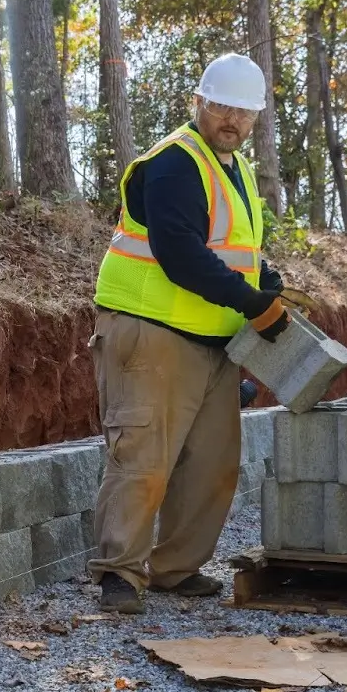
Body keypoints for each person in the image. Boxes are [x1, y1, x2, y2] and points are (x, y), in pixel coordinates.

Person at [88, 52, 289, 614]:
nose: (234, 121)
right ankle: (119, 574)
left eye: (246, 113)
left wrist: (266, 286)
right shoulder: (175, 163)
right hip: (151, 330)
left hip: (212, 340)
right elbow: (179, 254)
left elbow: (238, 253)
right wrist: (253, 305)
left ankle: (175, 570)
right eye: (223, 106)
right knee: (144, 458)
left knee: (211, 464)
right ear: (197, 102)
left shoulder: (237, 170)